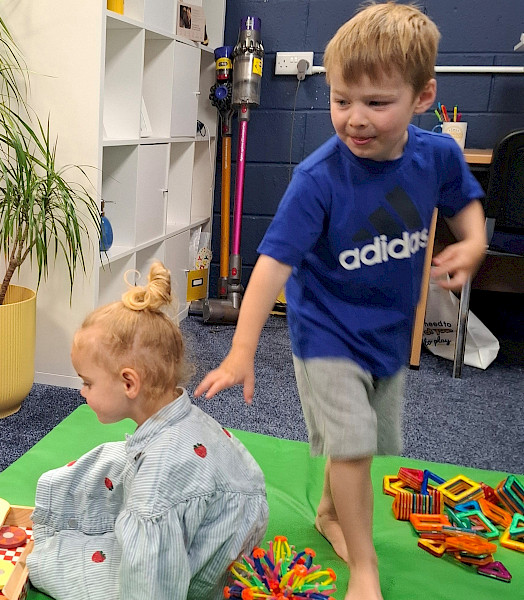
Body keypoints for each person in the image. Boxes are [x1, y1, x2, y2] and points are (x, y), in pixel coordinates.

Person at [194, 3, 487, 600]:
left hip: (387, 333)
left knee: (365, 442)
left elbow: (464, 203)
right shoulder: (319, 178)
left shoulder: (437, 156)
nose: (355, 118)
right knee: (351, 443)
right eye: (340, 100)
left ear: (423, 96)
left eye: (376, 103)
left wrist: (475, 242)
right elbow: (272, 266)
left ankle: (331, 512)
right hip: (326, 334)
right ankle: (366, 568)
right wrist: (242, 350)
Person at [27, 262, 268, 600]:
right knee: (111, 459)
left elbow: (150, 585)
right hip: (228, 505)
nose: (82, 392)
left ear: (129, 383)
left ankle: (55, 545)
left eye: (88, 383)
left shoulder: (157, 482)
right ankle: (58, 515)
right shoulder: (174, 418)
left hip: (208, 558)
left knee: (63, 566)